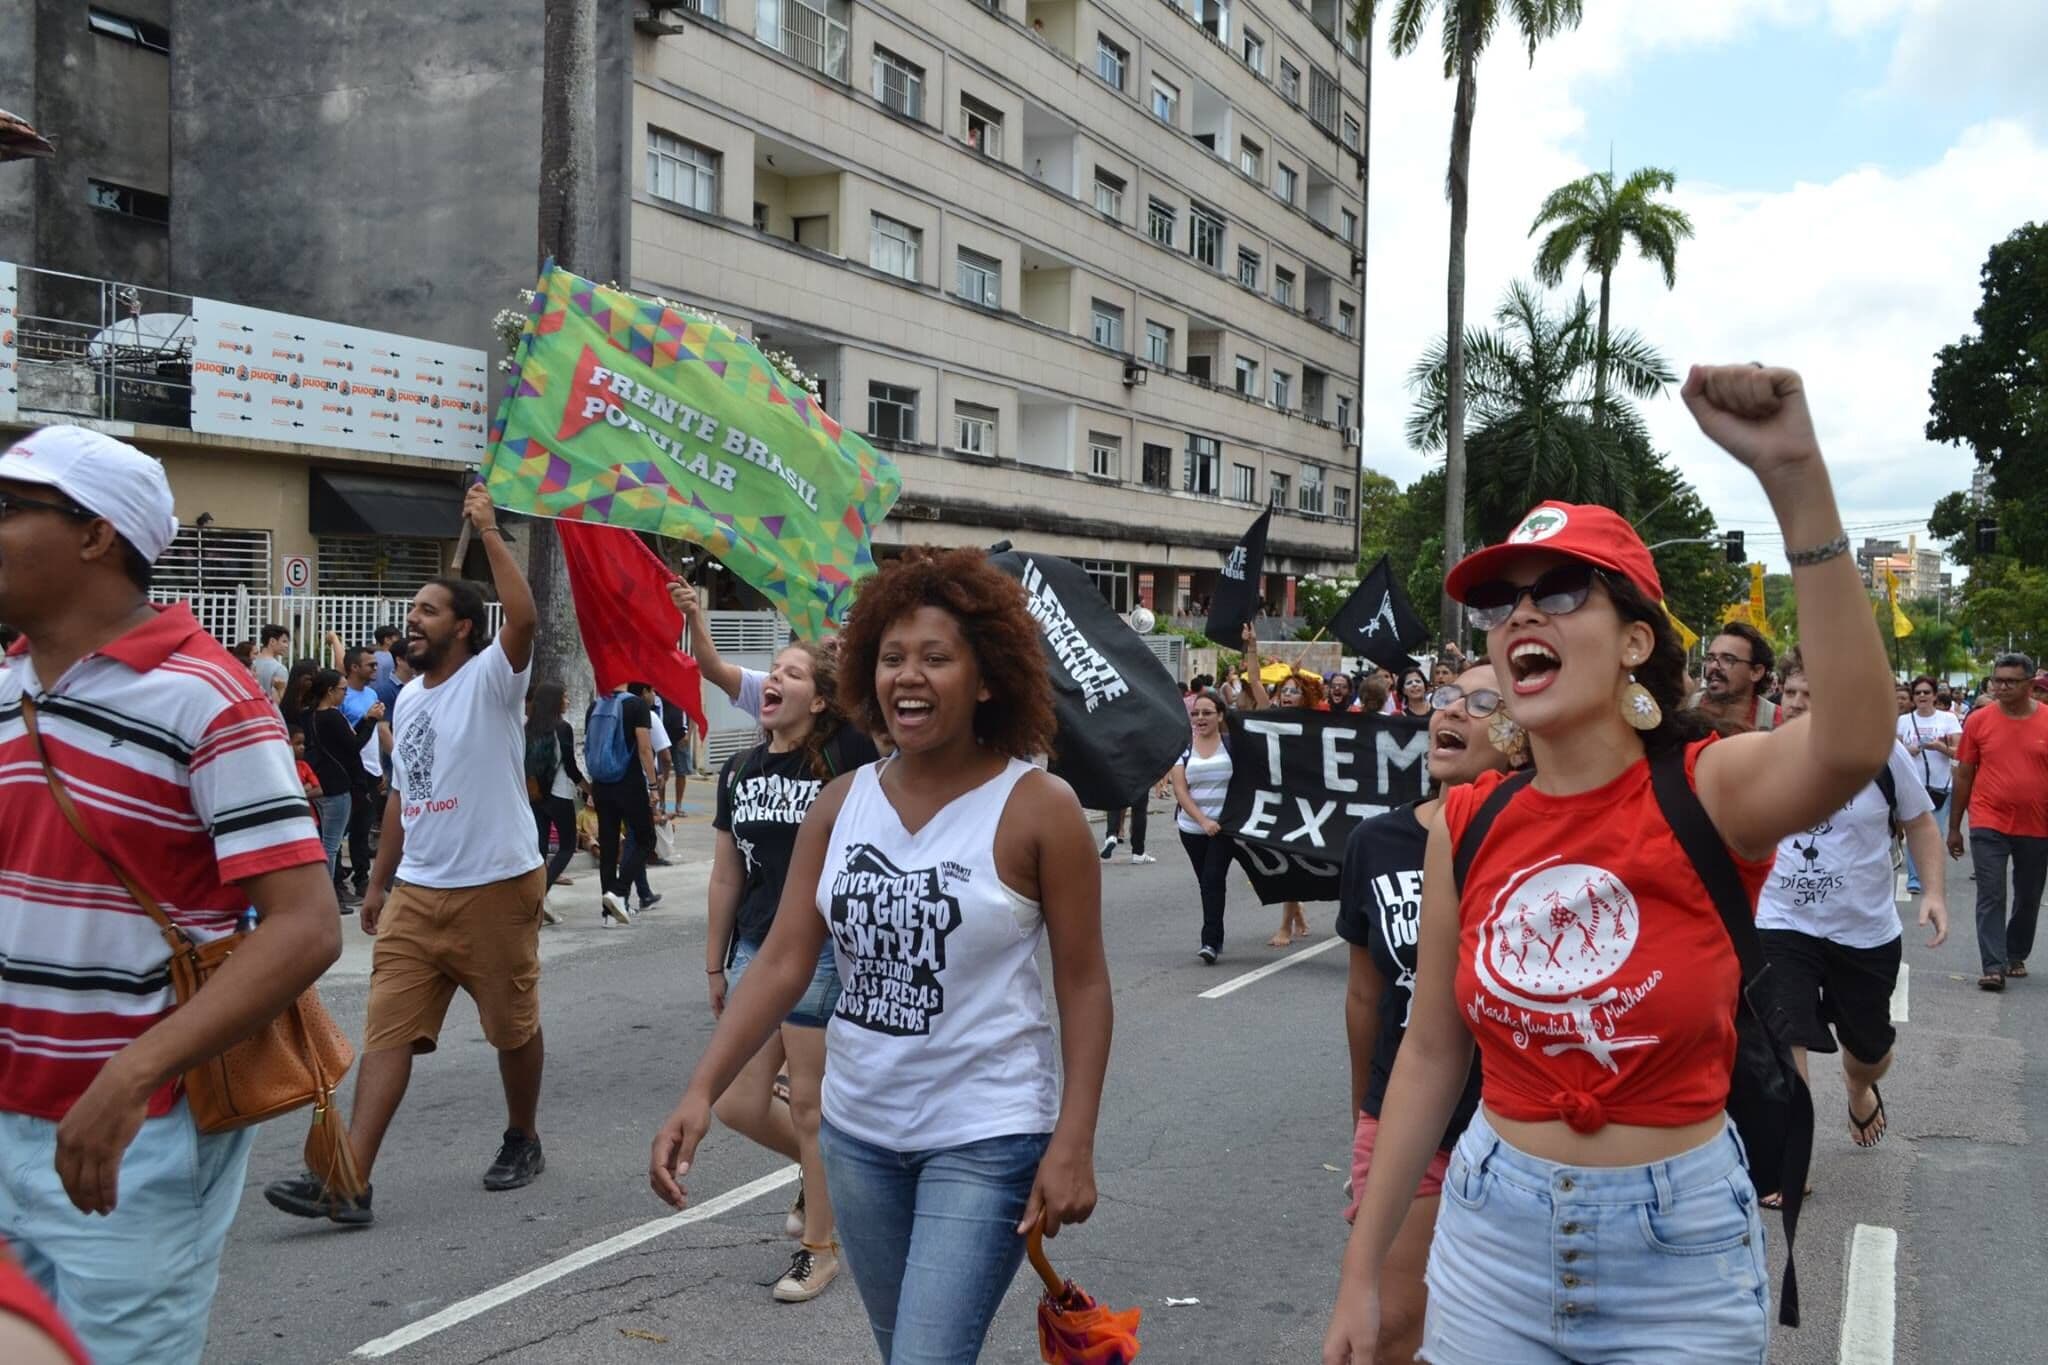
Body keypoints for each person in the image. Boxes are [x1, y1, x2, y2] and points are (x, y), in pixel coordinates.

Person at [1325, 365, 1895, 1364]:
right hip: (1489, 1240)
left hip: (1677, 1257)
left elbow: (1850, 742)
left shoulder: (1707, 790)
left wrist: (1795, 478)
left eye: (1557, 590)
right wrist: (1361, 1276)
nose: (1519, 616)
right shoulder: (1467, 822)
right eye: (1500, 602)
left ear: (1635, 640)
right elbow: (1429, 1053)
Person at [650, 547, 1111, 1365]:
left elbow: (1083, 984)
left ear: (988, 678)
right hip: (857, 1135)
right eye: (893, 656)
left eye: (937, 657)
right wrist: (701, 1088)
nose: (909, 676)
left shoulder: (1040, 808)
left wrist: (1074, 1138)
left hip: (987, 1135)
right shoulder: (840, 804)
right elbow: (785, 960)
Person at [0, 424, 341, 1363]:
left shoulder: (209, 698)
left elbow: (306, 925)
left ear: (95, 534)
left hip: (132, 1131)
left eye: (10, 507)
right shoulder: (7, 685)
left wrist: (131, 1074)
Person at [264, 484, 549, 1224]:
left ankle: (523, 1135)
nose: (411, 620)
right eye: (412, 609)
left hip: (497, 884)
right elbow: (402, 793)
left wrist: (490, 530)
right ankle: (348, 1180)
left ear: (464, 626)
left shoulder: (493, 678)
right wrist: (378, 881)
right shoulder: (411, 697)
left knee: (512, 1028)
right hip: (418, 892)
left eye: (427, 610)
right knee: (387, 1033)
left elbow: (523, 618)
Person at [1334, 662, 1524, 1363]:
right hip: (1411, 1122)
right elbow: (1365, 996)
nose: (1453, 710)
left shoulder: (1542, 845)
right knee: (1386, 1332)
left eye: (1483, 702)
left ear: (1520, 735)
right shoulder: (1376, 842)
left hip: (1517, 1130)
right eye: (1447, 697)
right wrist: (1367, 1118)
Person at [706, 637, 879, 1303]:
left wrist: (854, 654)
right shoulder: (738, 769)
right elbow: (727, 874)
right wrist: (715, 964)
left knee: (809, 1102)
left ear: (822, 698)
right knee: (736, 1100)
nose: (773, 678)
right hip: (755, 946)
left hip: (820, 945)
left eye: (792, 673)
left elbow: (880, 716)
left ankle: (820, 1249)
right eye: (773, 670)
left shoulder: (845, 756)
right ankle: (824, 1175)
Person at [1760, 649, 1947, 1188]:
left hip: (1863, 930)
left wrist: (1934, 893)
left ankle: (1858, 1084)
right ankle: (1792, 1155)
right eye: (1791, 693)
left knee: (1869, 1050)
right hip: (1780, 921)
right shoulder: (1759, 752)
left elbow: (1920, 822)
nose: (1797, 703)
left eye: (1811, 695)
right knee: (1783, 1034)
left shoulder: (1878, 753)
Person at [1947, 652, 2048, 991]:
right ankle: (1992, 966)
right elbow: (1964, 774)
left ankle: (2015, 953)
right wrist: (1954, 827)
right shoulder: (1978, 721)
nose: (2002, 687)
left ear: (2030, 684)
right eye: (1997, 680)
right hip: (1988, 820)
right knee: (1991, 893)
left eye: (2011, 682)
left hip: (2037, 825)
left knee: (2029, 895)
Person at [1239, 627, 1315, 943]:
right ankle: (1296, 912)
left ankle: (1285, 926)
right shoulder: (1271, 716)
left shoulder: (1315, 724)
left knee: (1291, 861)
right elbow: (1255, 681)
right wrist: (1252, 646)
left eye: (1294, 691)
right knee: (1277, 859)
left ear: (1305, 697)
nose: (1287, 695)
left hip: (1304, 801)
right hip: (1273, 798)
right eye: (1284, 690)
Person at [1171, 688, 1239, 964]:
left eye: (1207, 713)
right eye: (1196, 713)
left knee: (1212, 878)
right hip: (1192, 828)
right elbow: (1180, 790)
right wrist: (1202, 821)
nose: (1200, 718)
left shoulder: (1233, 745)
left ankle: (1209, 941)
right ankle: (1216, 934)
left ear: (1220, 716)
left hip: (1224, 829)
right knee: (1207, 883)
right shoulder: (1183, 748)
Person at [585, 681, 661, 927]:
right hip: (629, 783)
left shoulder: (595, 706)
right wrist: (653, 786)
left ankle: (609, 915)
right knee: (646, 839)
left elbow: (590, 746)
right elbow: (644, 749)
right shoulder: (636, 705)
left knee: (608, 847)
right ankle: (618, 893)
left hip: (601, 784)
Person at [525, 681, 586, 925]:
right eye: (565, 697)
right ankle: (541, 896)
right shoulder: (563, 728)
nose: (567, 701)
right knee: (567, 846)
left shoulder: (528, 728)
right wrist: (590, 789)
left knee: (539, 850)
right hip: (559, 794)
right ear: (554, 702)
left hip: (535, 795)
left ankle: (537, 900)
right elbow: (570, 767)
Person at [1898, 674, 1961, 897]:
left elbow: (1960, 752)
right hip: (1912, 787)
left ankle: (1931, 877)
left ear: (1935, 695)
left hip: (1940, 787)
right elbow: (1892, 752)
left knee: (1935, 833)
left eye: (1926, 692)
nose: (1922, 696)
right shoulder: (1903, 721)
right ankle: (1915, 878)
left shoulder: (1948, 719)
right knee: (1915, 832)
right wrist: (1907, 750)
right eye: (1918, 693)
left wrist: (1940, 747)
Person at [299, 667, 359, 898]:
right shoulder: (333, 717)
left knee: (323, 842)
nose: (345, 694)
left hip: (318, 783)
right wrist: (369, 722)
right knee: (331, 845)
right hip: (335, 785)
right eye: (343, 690)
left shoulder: (308, 715)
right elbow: (353, 747)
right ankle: (325, 895)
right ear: (330, 691)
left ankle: (318, 892)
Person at [1694, 622, 1780, 732]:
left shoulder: (1778, 722)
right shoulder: (1686, 707)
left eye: (1728, 659)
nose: (1713, 666)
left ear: (1756, 672)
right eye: (1710, 658)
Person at [253, 623, 290, 701]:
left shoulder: (251, 664)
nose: (287, 646)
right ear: (272, 641)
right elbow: (279, 700)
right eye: (284, 641)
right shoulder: (279, 669)